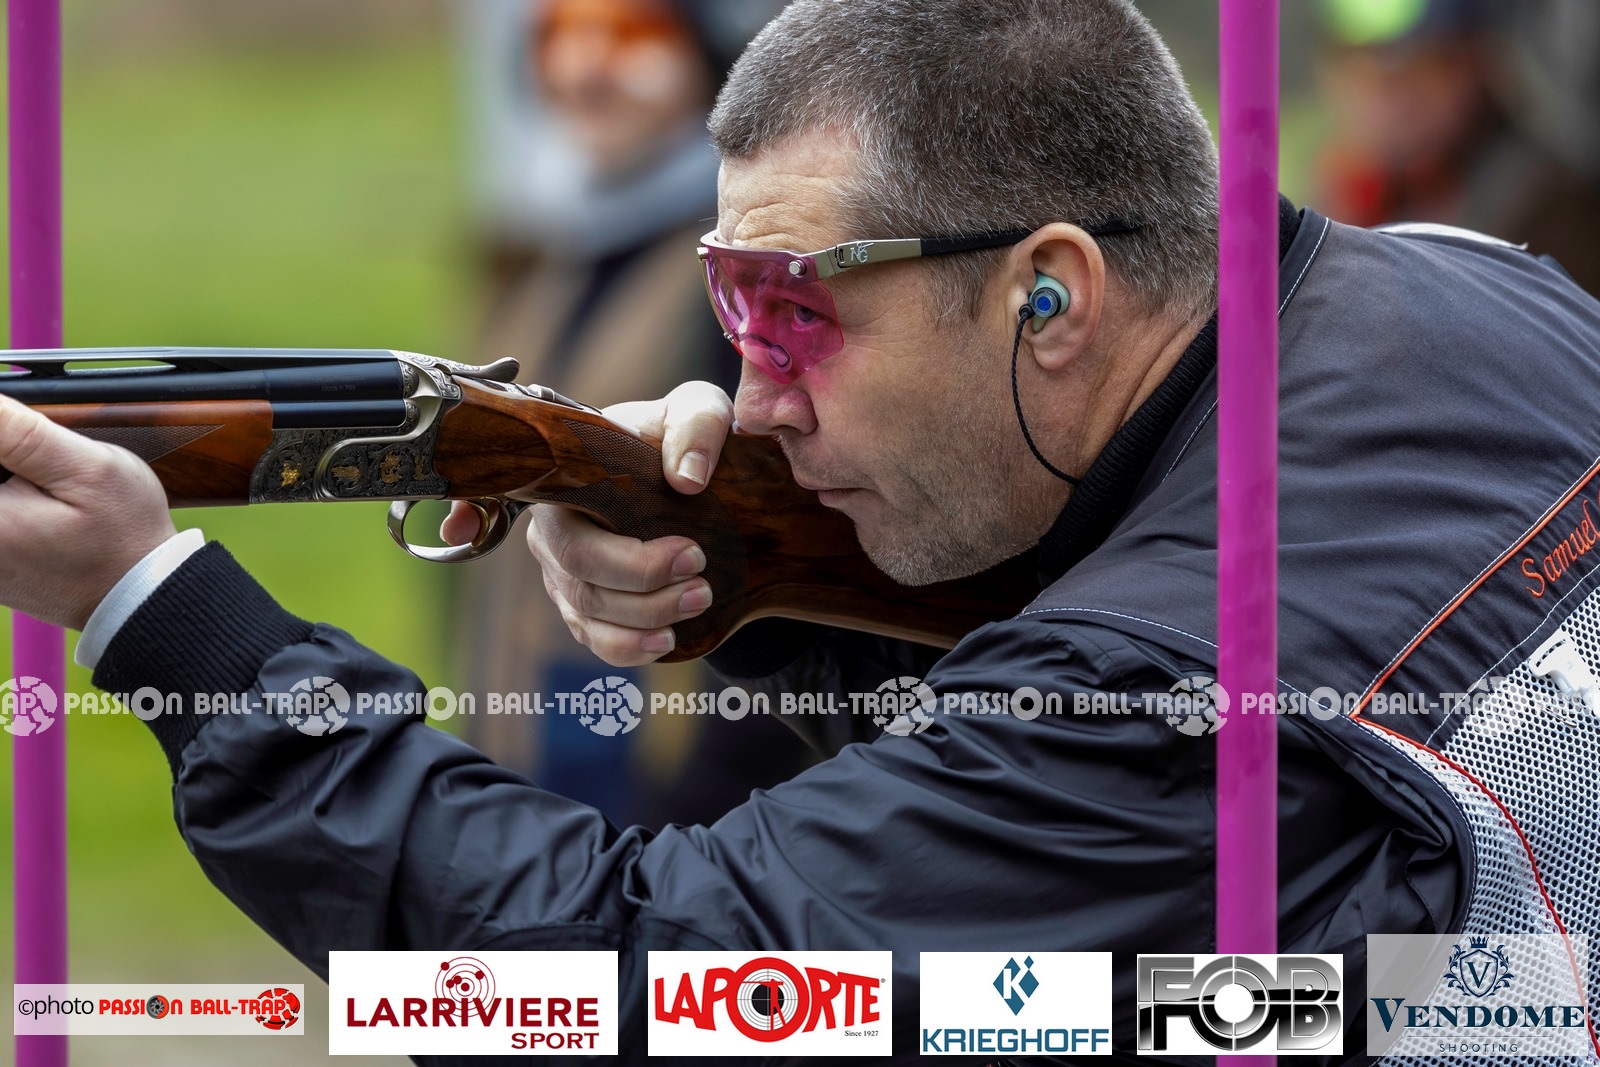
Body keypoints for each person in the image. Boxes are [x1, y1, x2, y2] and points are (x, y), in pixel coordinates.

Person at [3, 0, 1600, 1062]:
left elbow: (634, 985)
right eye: (728, 308)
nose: (753, 396)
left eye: (796, 312)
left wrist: (160, 610)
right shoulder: (1467, 283)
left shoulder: (1164, 694)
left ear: (1051, 293)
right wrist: (771, 571)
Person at [455, 0, 807, 826]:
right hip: (527, 704)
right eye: (558, 38)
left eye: (629, 35)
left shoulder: (742, 265)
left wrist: (718, 783)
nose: (584, 69)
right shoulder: (545, 251)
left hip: (675, 732)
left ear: (705, 53)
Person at [1314, 0, 1600, 293]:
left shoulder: (1544, 205)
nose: (1386, 100)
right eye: (1359, 69)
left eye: (1421, 66)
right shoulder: (1350, 195)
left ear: (1479, 63)